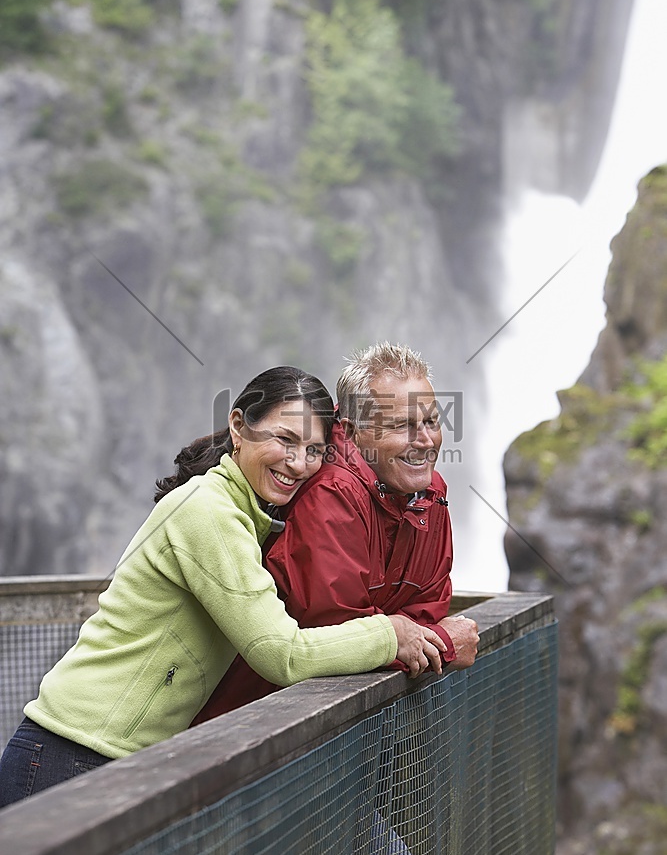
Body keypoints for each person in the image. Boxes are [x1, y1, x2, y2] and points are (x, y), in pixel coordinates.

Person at [0, 366, 445, 808]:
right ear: (239, 427)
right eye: (284, 440)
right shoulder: (208, 511)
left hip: (119, 759)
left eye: (314, 450)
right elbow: (281, 654)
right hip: (73, 751)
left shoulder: (252, 515)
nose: (298, 463)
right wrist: (391, 634)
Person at [193, 343, 479, 722]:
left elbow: (428, 607)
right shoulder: (331, 494)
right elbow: (340, 634)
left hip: (342, 732)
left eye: (430, 422)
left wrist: (412, 637)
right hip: (258, 727)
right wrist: (440, 645)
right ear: (353, 432)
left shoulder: (428, 495)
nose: (425, 441)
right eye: (401, 426)